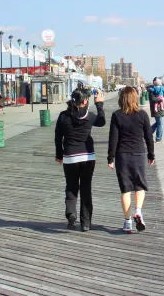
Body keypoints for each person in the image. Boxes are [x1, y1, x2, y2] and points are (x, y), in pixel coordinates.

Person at [54, 88, 106, 232]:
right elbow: (102, 121)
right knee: (85, 188)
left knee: (71, 186)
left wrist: (59, 154)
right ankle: (86, 222)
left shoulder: (64, 116)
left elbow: (58, 137)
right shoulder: (89, 116)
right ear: (84, 101)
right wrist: (99, 104)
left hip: (70, 157)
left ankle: (71, 213)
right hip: (87, 157)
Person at [107, 87, 156, 233]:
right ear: (135, 98)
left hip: (122, 155)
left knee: (125, 189)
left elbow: (113, 139)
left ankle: (127, 222)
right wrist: (151, 155)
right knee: (139, 186)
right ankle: (138, 211)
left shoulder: (117, 115)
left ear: (121, 98)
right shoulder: (142, 115)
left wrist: (111, 158)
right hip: (139, 153)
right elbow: (149, 137)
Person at [147, 77, 164, 143]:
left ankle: (148, 133)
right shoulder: (151, 90)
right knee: (160, 124)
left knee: (158, 123)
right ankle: (158, 138)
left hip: (159, 109)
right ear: (154, 82)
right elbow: (153, 99)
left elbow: (163, 94)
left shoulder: (159, 88)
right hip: (156, 109)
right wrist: (161, 99)